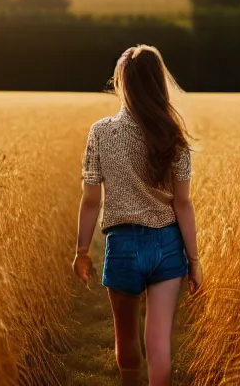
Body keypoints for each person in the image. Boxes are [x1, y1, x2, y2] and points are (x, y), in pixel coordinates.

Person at [72, 45, 203, 386]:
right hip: (168, 245)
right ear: (159, 83)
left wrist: (82, 251)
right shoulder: (173, 136)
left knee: (126, 341)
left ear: (122, 84)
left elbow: (90, 200)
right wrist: (195, 260)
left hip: (123, 246)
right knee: (158, 345)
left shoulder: (100, 132)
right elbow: (183, 204)